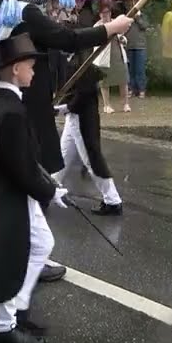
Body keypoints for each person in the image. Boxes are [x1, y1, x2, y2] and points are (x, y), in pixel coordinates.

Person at [0, 0, 131, 285]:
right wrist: (110, 28)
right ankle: (29, 264)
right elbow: (66, 38)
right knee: (29, 188)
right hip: (23, 115)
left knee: (11, 192)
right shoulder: (19, 12)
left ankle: (23, 258)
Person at [0, 33, 66, 343]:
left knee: (41, 244)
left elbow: (19, 157)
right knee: (11, 256)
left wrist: (46, 184)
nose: (34, 72)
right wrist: (50, 191)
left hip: (12, 190)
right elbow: (20, 167)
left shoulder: (1, 100)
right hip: (13, 194)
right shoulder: (12, 111)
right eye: (30, 66)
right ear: (16, 70)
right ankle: (4, 326)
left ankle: (15, 311)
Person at [52, 44, 123, 215]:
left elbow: (83, 96)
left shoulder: (82, 67)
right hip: (74, 118)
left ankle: (113, 201)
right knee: (63, 155)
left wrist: (62, 109)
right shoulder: (74, 63)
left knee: (92, 160)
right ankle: (50, 190)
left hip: (83, 120)